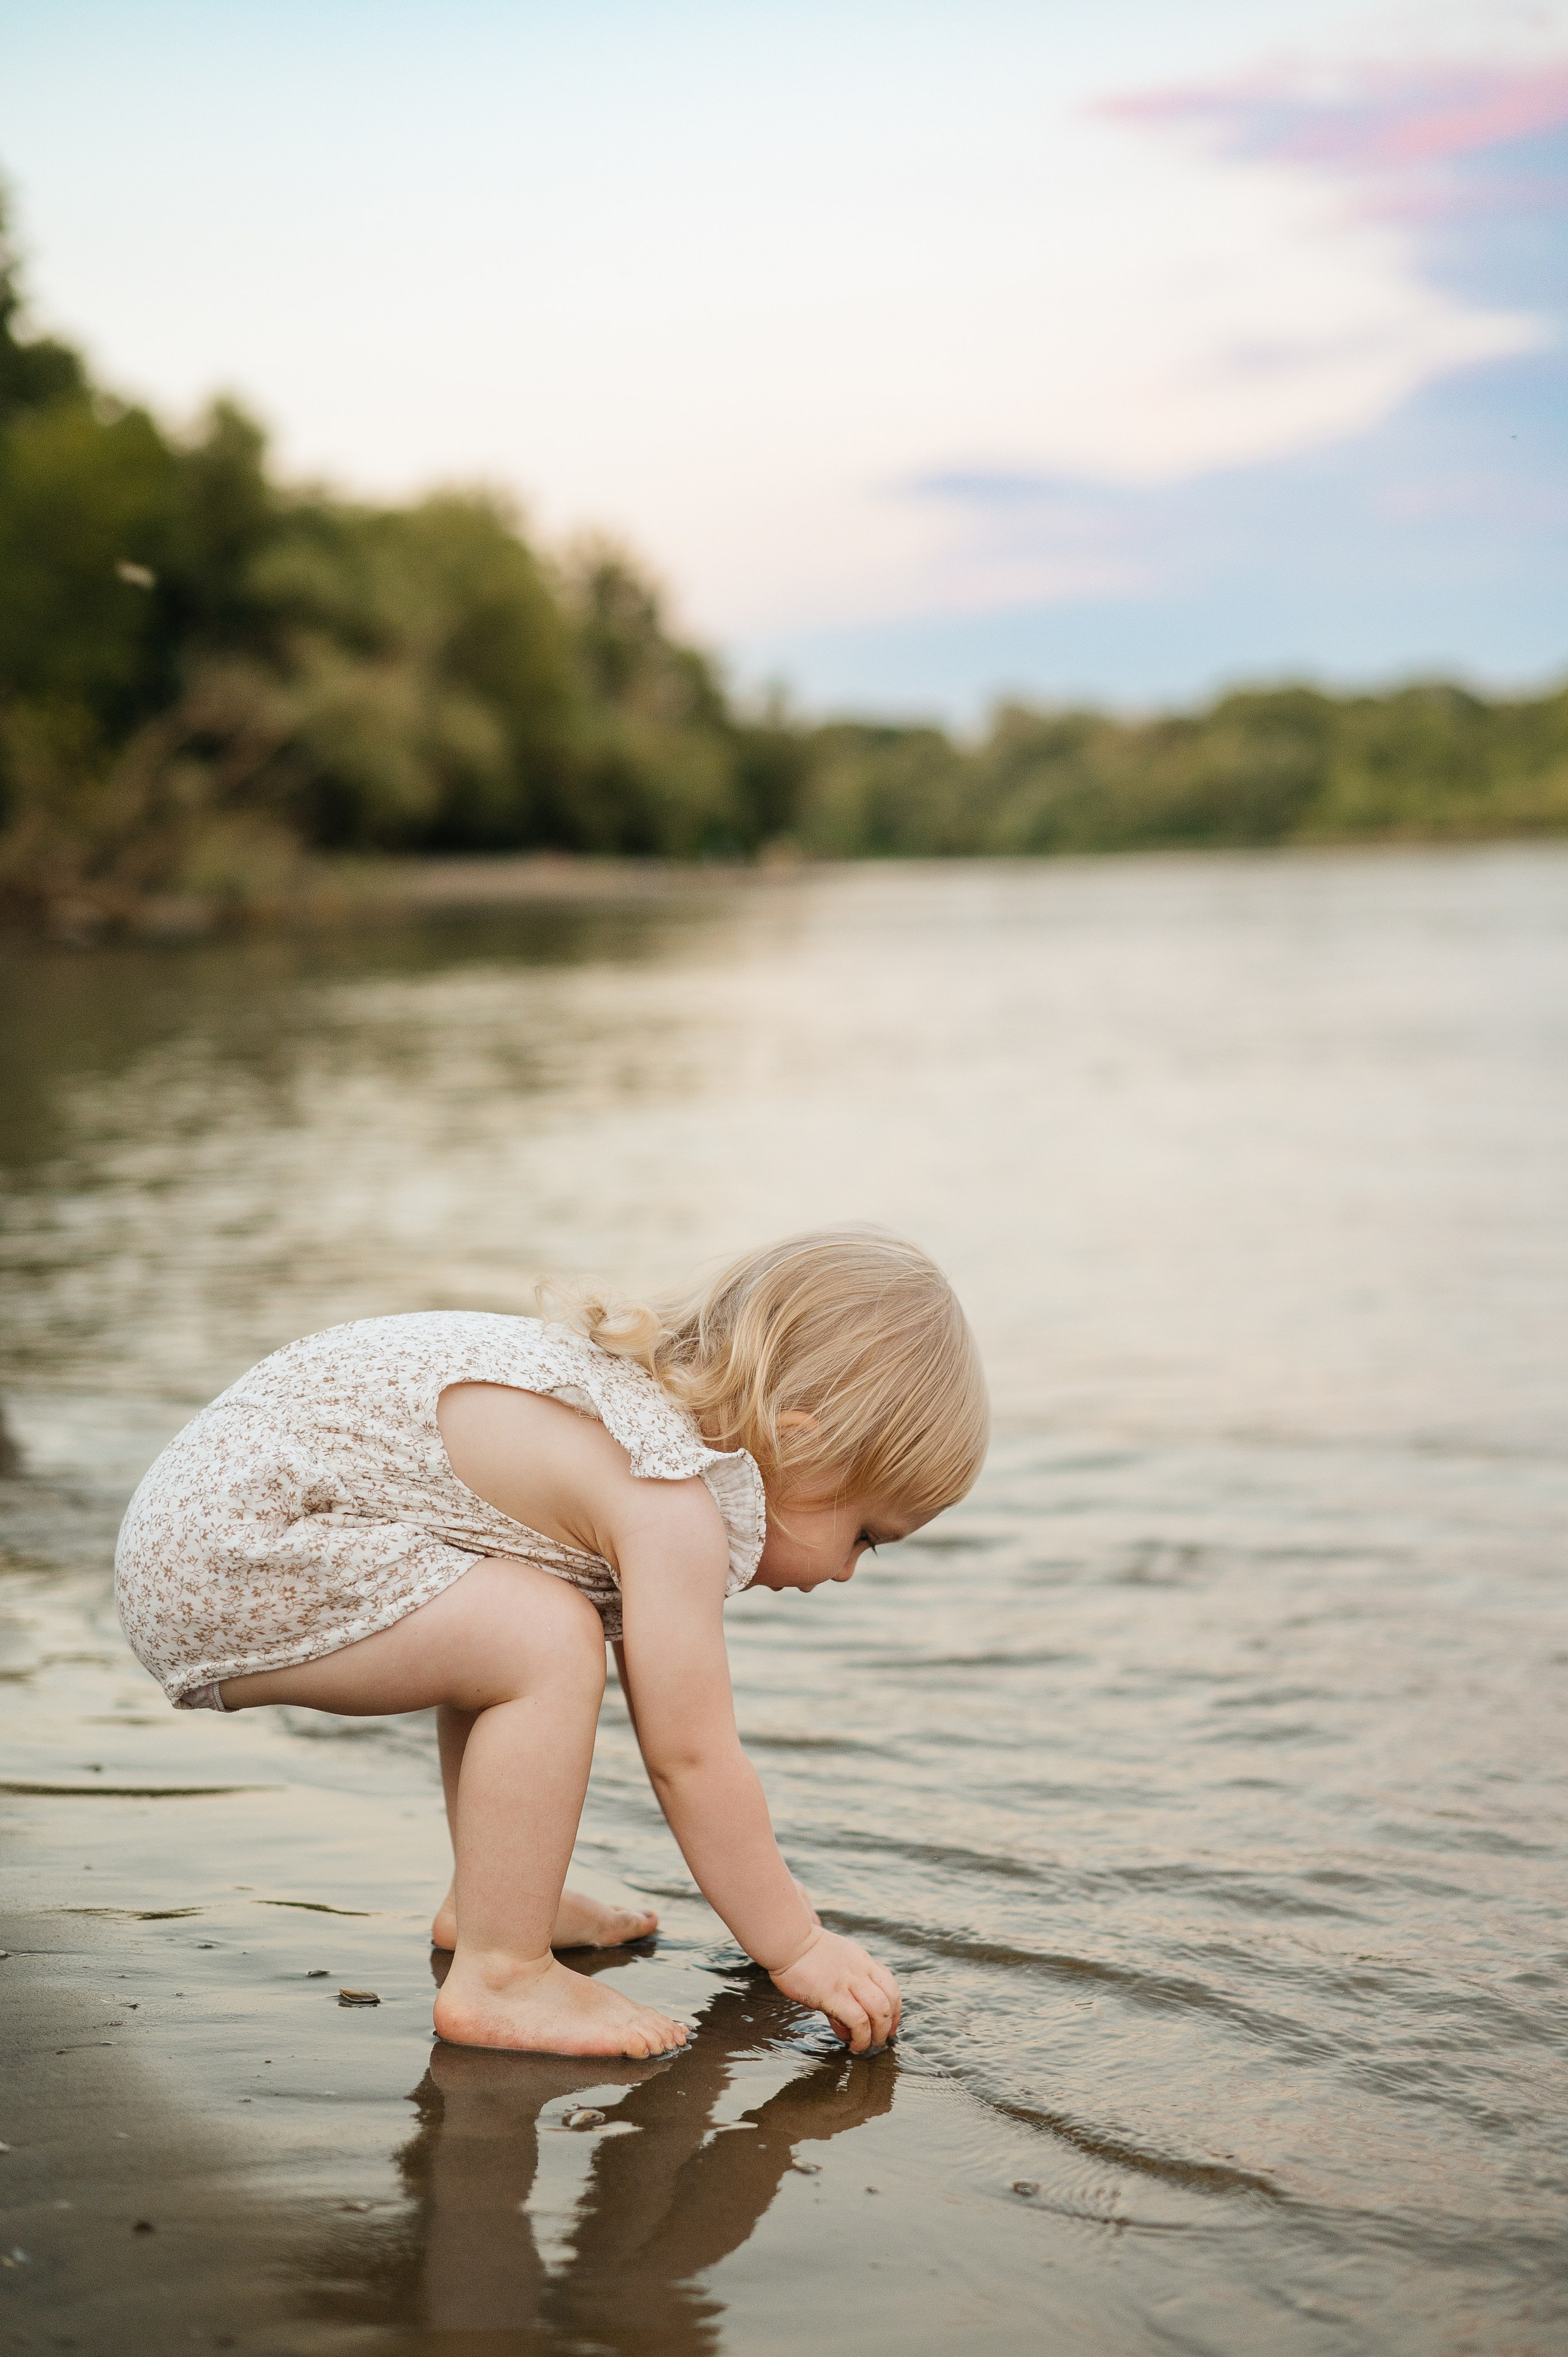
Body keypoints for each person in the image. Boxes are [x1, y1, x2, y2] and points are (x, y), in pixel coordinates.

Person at [115, 1228, 989, 2062]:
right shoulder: (669, 1500)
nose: (847, 1572)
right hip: (233, 1549)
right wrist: (796, 1945)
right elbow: (691, 1757)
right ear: (802, 1443)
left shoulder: (627, 1415)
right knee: (546, 1639)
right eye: (866, 1535)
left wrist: (770, 1903)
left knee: (512, 1623)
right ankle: (502, 1974)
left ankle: (493, 1906)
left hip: (210, 1521)